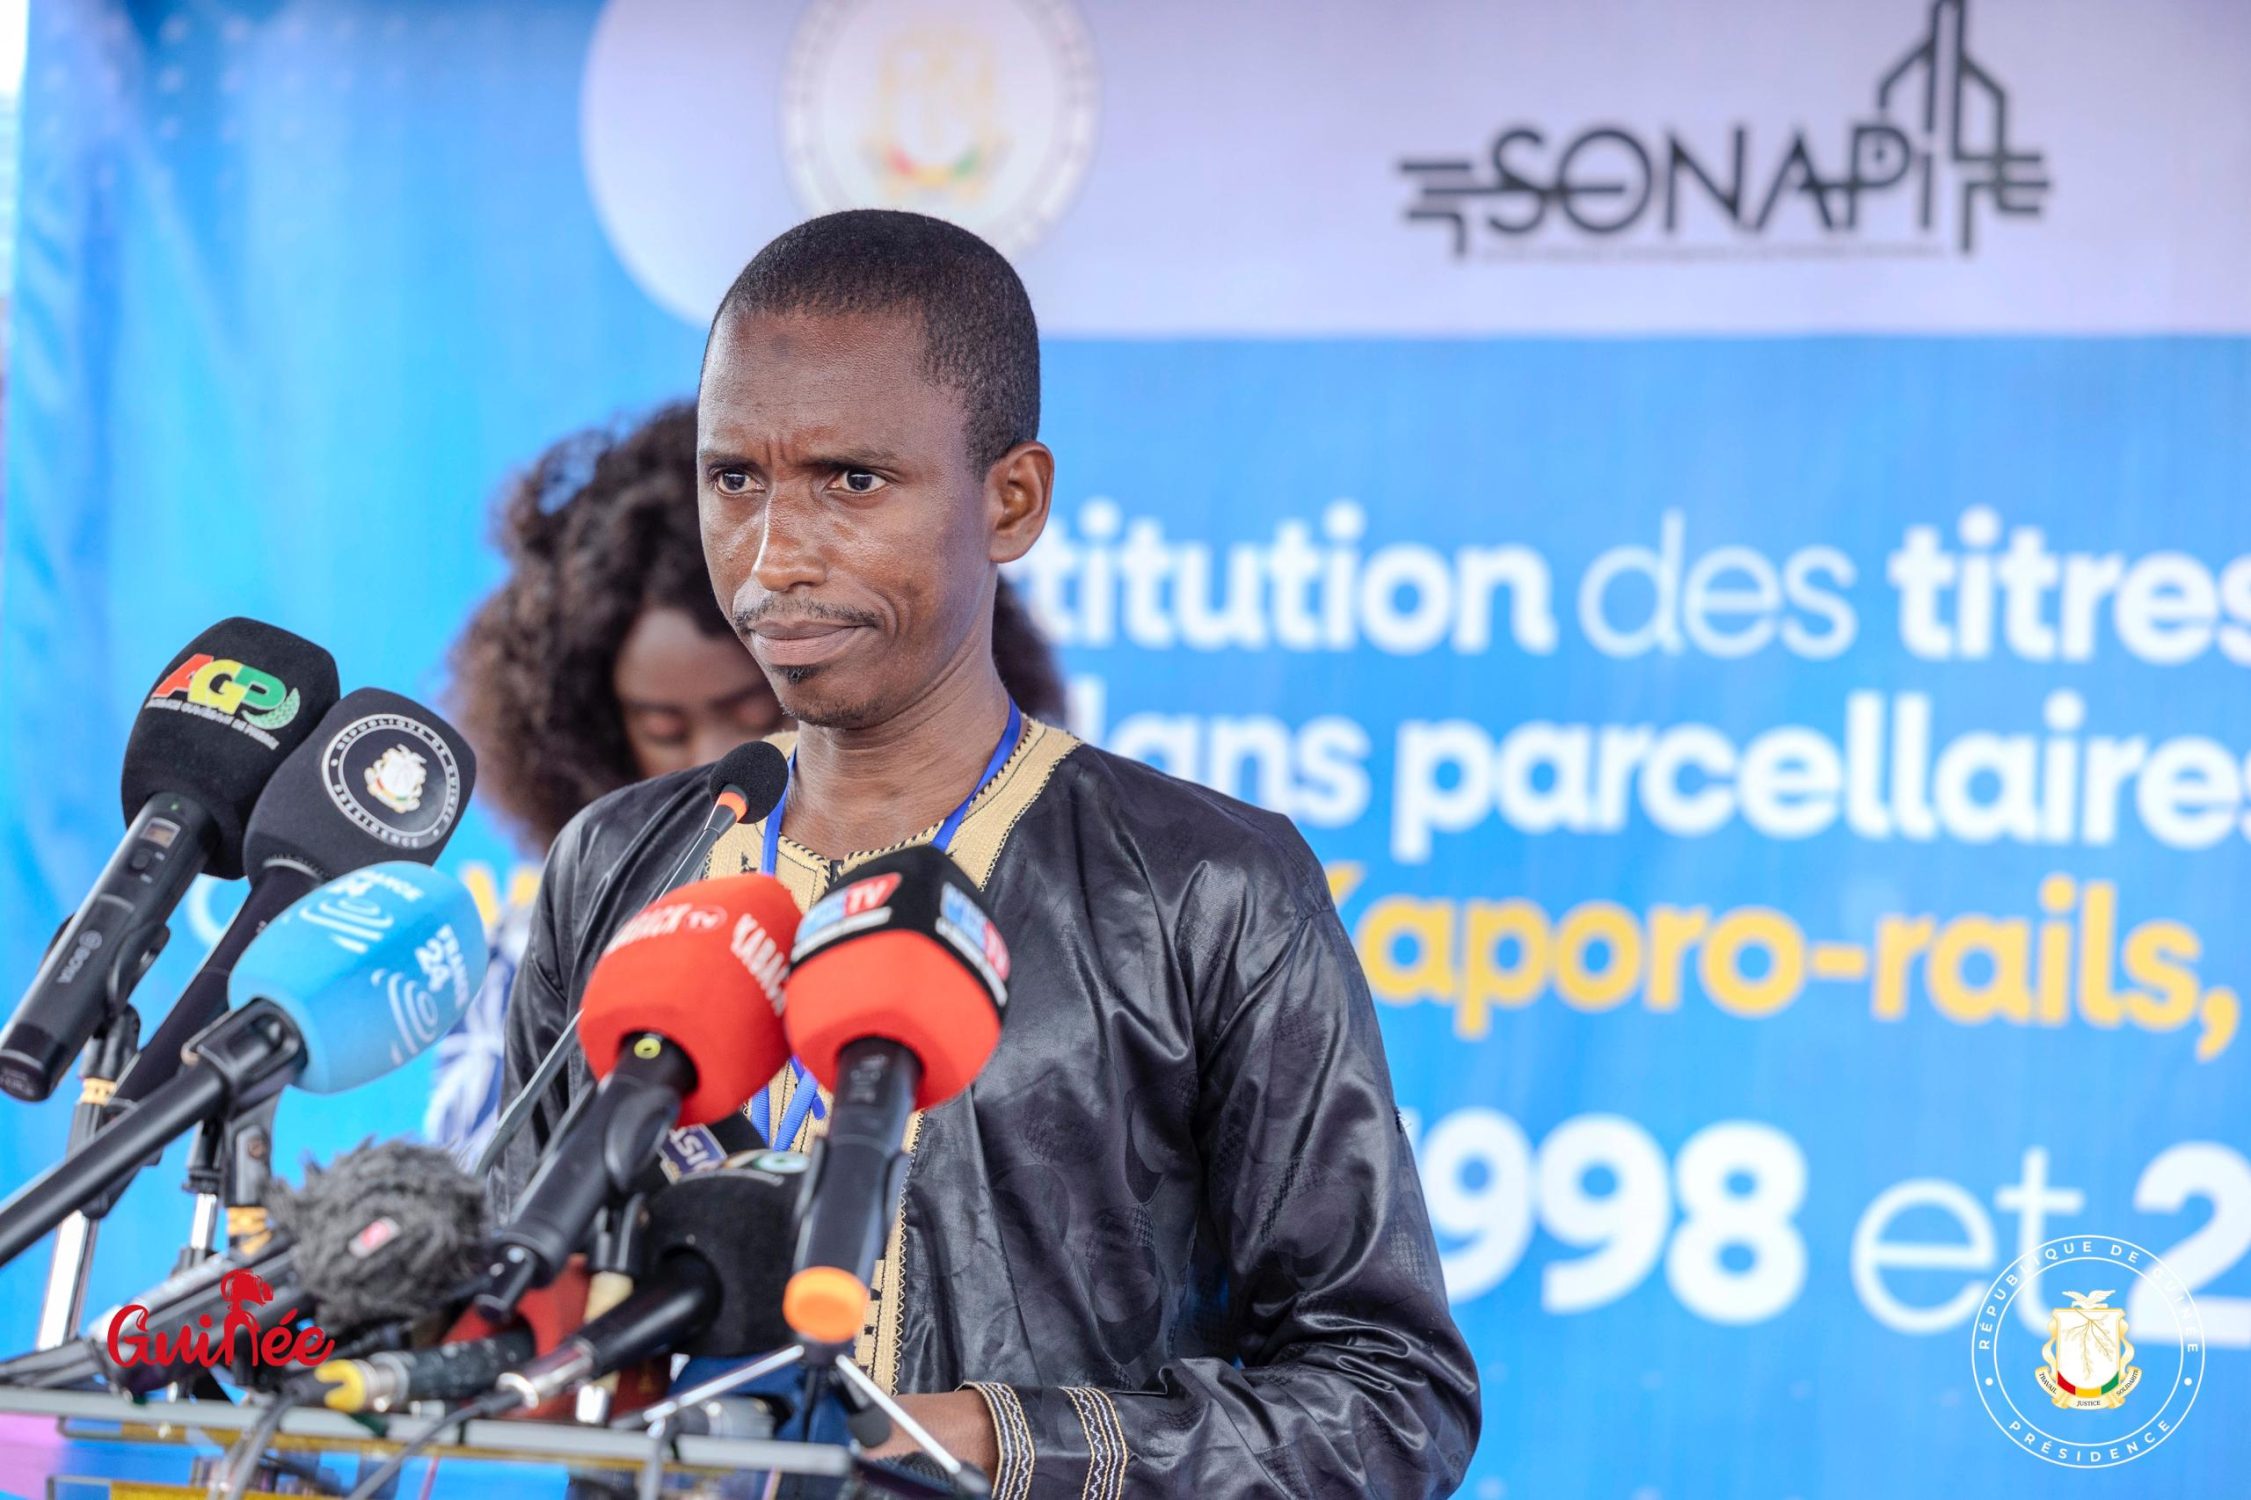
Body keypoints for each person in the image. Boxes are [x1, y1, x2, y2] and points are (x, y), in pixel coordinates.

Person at [498, 211, 1479, 1497]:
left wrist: (987, 1440)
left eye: (851, 481)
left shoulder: (1209, 888)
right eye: (734, 479)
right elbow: (521, 1302)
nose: (774, 557)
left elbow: (1390, 1399)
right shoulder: (617, 865)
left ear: (1010, 501)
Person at [428, 400, 1063, 1161]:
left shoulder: (980, 925)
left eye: (752, 709)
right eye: (663, 729)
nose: (716, 754)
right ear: (592, 733)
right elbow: (485, 1191)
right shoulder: (552, 940)